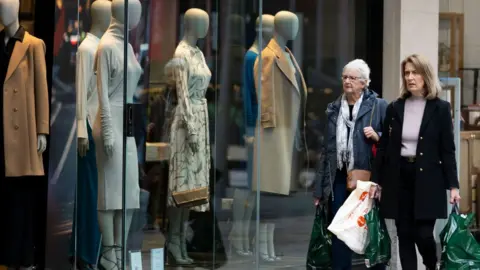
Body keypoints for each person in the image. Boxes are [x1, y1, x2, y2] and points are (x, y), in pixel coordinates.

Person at [374, 54, 461, 270]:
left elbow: (447, 150)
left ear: (426, 75)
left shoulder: (440, 108)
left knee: (423, 234)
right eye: (407, 73)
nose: (410, 77)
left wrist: (453, 185)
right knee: (404, 233)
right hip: (399, 176)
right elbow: (384, 147)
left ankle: (432, 265)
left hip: (429, 178)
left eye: (415, 72)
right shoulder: (395, 107)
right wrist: (376, 181)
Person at [313, 59, 388, 270]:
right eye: (344, 77)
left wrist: (378, 135)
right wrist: (319, 190)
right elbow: (327, 151)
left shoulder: (379, 106)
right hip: (338, 176)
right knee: (339, 229)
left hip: (367, 180)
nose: (347, 81)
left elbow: (392, 142)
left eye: (352, 78)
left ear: (364, 83)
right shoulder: (334, 108)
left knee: (370, 228)